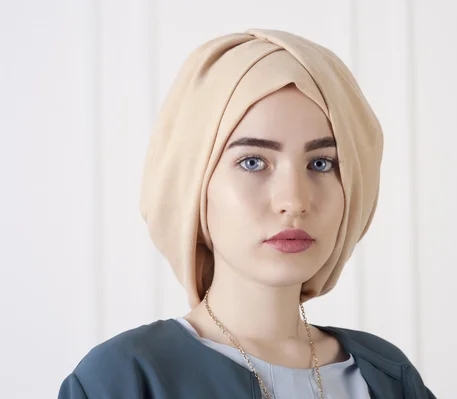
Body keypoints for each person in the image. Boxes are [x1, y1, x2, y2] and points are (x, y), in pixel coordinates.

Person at [58, 29, 436, 399]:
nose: (294, 201)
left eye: (321, 163)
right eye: (253, 161)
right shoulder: (123, 379)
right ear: (194, 184)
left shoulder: (387, 377)